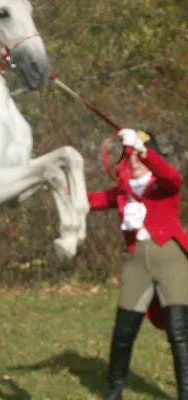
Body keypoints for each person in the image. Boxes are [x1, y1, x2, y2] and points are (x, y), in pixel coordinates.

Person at [88, 128, 188, 400]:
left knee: (179, 335)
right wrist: (62, 186)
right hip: (137, 265)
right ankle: (115, 391)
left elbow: (172, 176)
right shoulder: (122, 191)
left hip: (172, 262)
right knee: (123, 332)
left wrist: (142, 150)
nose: (134, 158)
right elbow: (91, 201)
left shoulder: (164, 185)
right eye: (131, 154)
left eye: (140, 153)